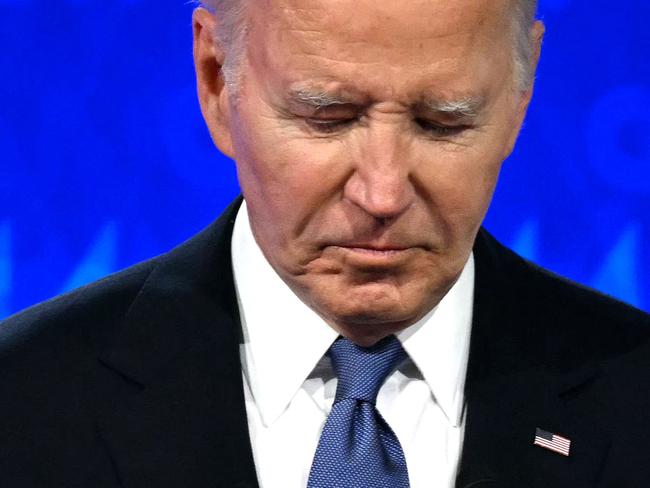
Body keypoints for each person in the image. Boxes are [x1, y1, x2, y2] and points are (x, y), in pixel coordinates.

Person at [0, 0, 648, 486]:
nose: (384, 192)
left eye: (443, 122)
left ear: (520, 95)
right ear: (217, 80)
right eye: (328, 119)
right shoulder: (22, 402)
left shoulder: (634, 393)